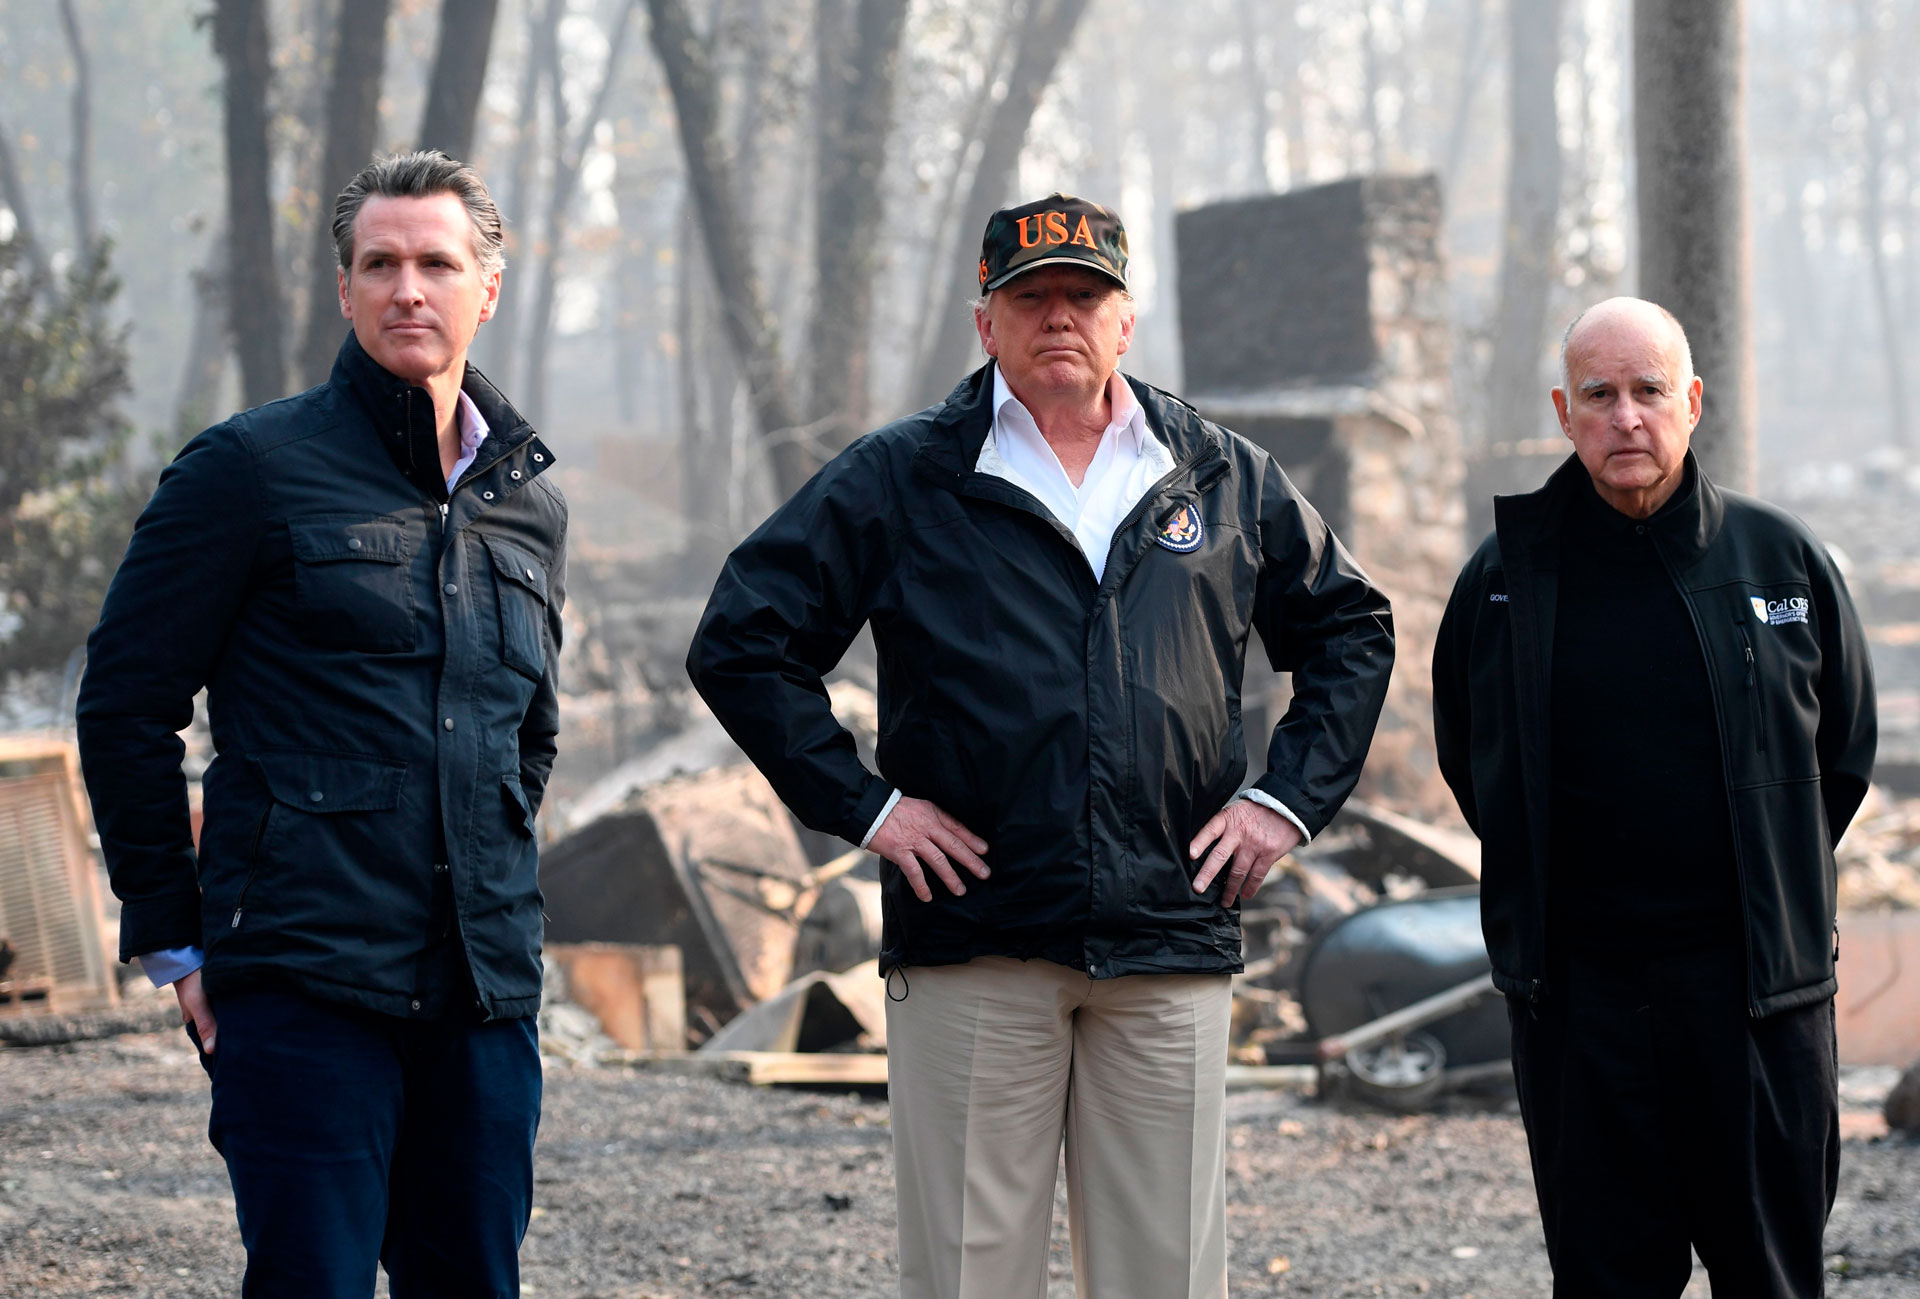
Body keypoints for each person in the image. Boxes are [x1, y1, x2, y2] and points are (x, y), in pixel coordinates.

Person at [688, 193, 1394, 1299]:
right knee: (971, 1276)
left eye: (1085, 295)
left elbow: (1350, 627)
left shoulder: (1218, 474)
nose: (1058, 317)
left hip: (1167, 937)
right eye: (1031, 297)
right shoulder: (902, 477)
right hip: (977, 934)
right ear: (988, 323)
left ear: (1125, 319)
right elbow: (743, 640)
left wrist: (1284, 803)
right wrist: (867, 807)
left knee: (1166, 1279)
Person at [76, 151, 566, 1298]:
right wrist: (174, 938)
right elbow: (126, 702)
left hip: (483, 993)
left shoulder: (529, 503)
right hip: (304, 985)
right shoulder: (248, 470)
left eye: (437, 263)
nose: (409, 288)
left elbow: (526, 730)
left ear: (486, 289)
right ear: (342, 289)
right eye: (380, 263)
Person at [1433, 297, 1876, 1297]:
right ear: (1563, 411)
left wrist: (1771, 882)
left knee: (1771, 1274)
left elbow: (1840, 757)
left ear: (1693, 402)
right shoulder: (1504, 580)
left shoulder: (1780, 559)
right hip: (1581, 1005)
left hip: (1755, 997)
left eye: (1649, 392)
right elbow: (1478, 766)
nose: (1625, 418)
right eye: (1599, 395)